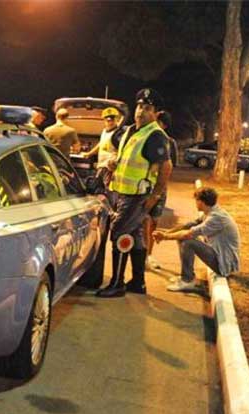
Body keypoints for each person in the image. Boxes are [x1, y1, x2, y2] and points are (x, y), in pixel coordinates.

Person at [96, 88, 173, 298]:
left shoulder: (155, 135)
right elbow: (128, 159)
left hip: (138, 196)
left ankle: (117, 283)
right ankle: (138, 283)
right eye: (139, 107)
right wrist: (114, 164)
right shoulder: (131, 130)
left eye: (147, 108)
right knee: (136, 237)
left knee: (119, 232)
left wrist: (155, 196)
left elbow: (166, 167)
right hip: (123, 193)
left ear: (156, 113)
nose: (141, 111)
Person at [153, 187, 240, 291]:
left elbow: (188, 234)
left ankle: (188, 280)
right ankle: (187, 276)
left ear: (201, 202)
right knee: (181, 237)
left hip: (224, 263)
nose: (195, 203)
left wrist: (165, 237)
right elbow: (189, 225)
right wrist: (166, 232)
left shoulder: (216, 218)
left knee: (188, 242)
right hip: (218, 254)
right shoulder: (211, 211)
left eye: (196, 200)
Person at [144, 110, 177, 270]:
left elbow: (169, 167)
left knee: (151, 222)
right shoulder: (144, 137)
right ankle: (143, 255)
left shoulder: (167, 142)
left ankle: (147, 255)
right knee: (146, 222)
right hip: (147, 187)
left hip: (156, 188)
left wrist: (157, 192)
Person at [82, 106, 124, 188]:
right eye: (107, 119)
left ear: (117, 119)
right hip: (101, 166)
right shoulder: (105, 131)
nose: (109, 121)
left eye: (112, 118)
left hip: (109, 168)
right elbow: (100, 144)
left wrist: (115, 162)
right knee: (97, 188)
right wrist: (89, 154)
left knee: (108, 189)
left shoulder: (119, 134)